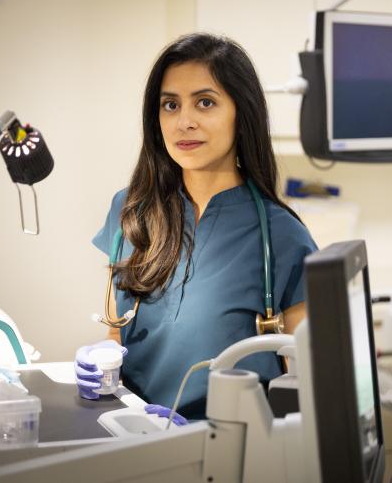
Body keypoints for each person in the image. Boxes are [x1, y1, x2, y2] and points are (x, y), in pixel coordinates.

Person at [74, 33, 318, 421]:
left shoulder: (284, 238)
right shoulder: (130, 212)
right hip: (129, 438)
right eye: (170, 105)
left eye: (205, 103)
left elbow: (307, 386)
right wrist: (101, 359)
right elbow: (119, 334)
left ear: (242, 113)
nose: (184, 122)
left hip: (231, 453)